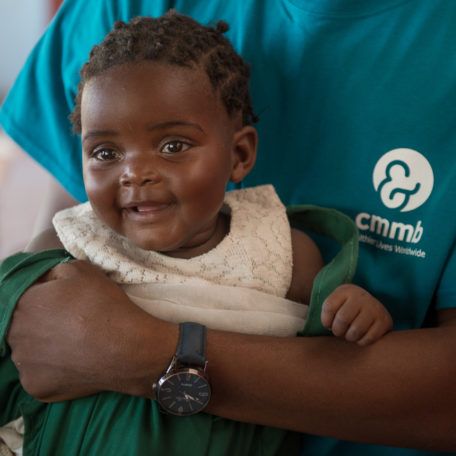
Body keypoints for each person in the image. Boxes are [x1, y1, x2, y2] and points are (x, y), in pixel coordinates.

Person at [0, 0, 455, 454]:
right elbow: (30, 308)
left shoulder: (279, 251)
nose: (133, 174)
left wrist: (354, 310)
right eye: (104, 153)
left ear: (240, 156)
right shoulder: (77, 238)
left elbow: (328, 325)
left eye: (173, 145)